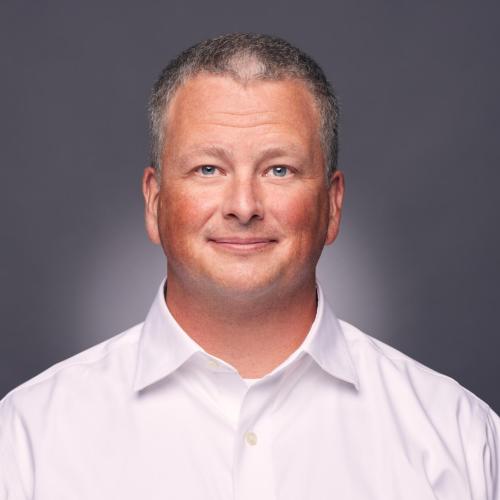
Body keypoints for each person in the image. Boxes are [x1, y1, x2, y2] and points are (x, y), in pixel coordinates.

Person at [0, 33, 498, 499]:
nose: (243, 206)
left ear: (332, 205)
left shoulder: (460, 435)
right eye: (208, 169)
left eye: (279, 169)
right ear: (154, 202)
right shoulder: (27, 439)